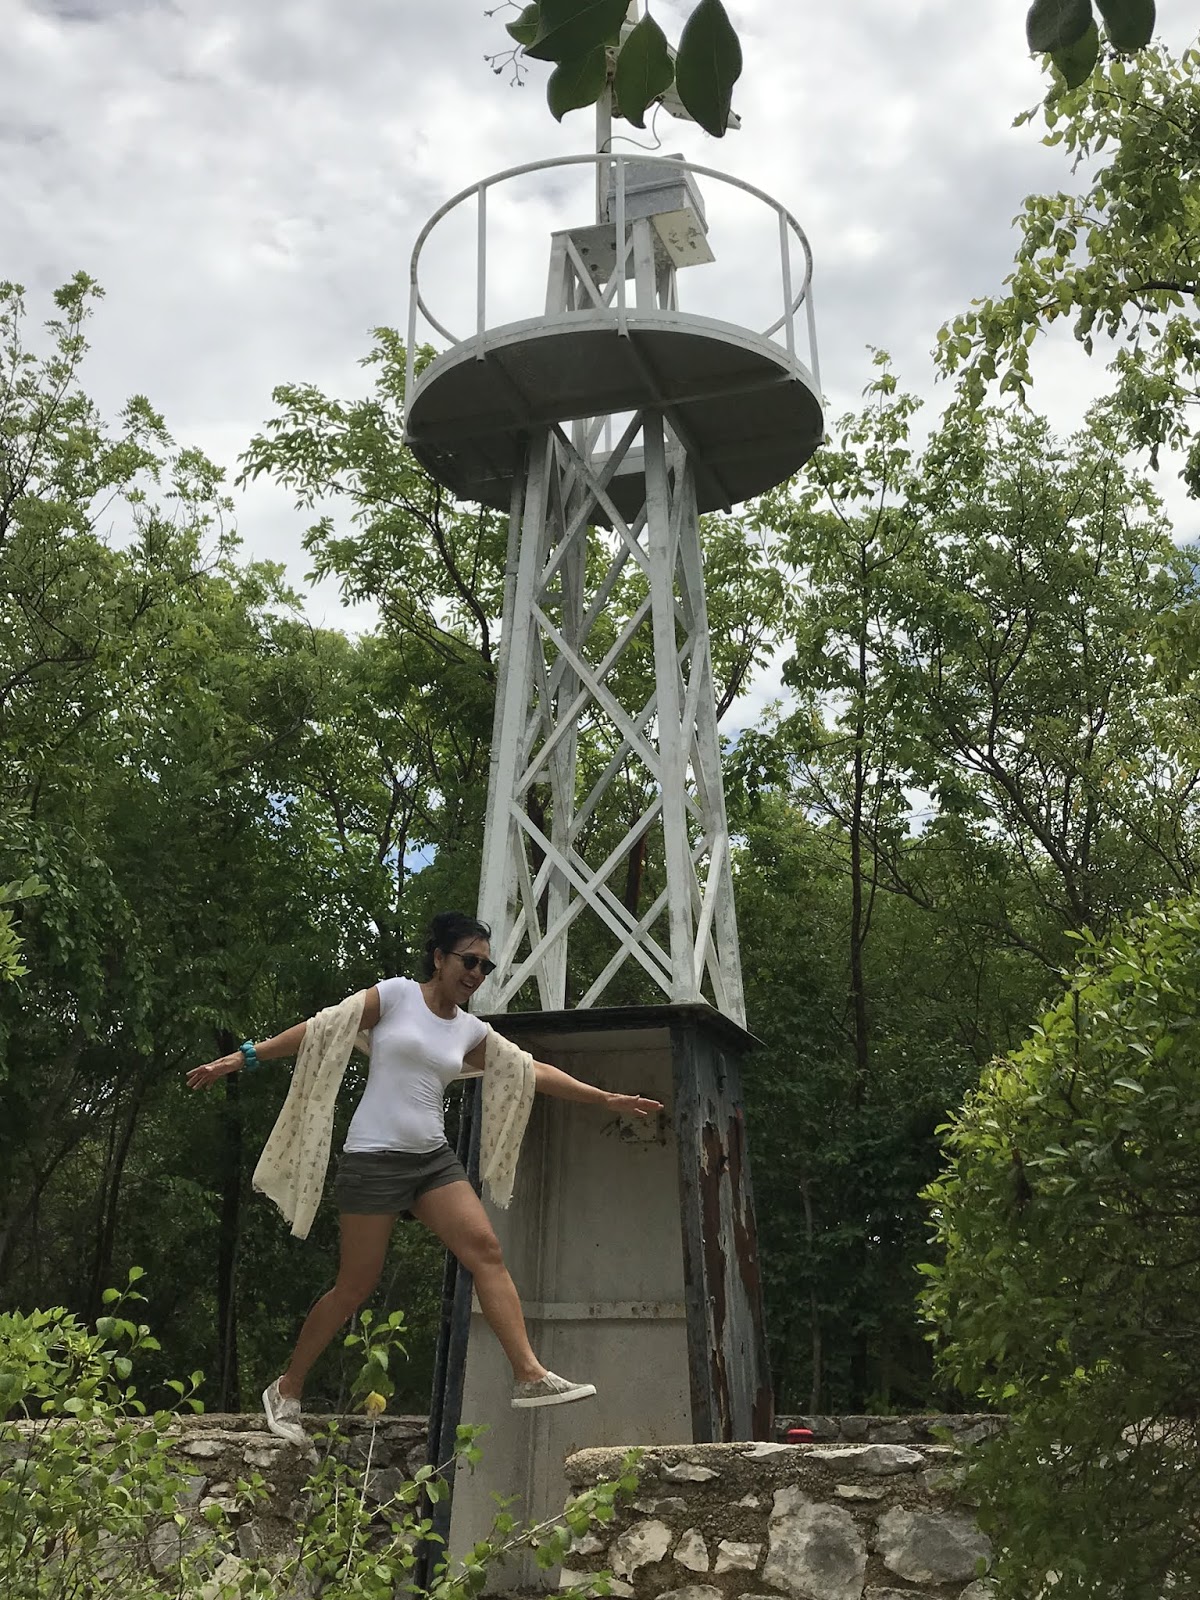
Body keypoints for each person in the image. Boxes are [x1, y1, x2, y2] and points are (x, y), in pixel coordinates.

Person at [187, 910, 664, 1446]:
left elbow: (528, 1071)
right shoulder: (394, 997)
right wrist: (242, 1057)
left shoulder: (469, 1030)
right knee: (354, 1286)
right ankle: (287, 1389)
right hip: (373, 1158)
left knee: (485, 1248)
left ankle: (529, 1374)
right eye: (468, 961)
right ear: (439, 957)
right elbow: (321, 1029)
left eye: (485, 966)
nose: (476, 973)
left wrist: (604, 1098)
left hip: (431, 1160)